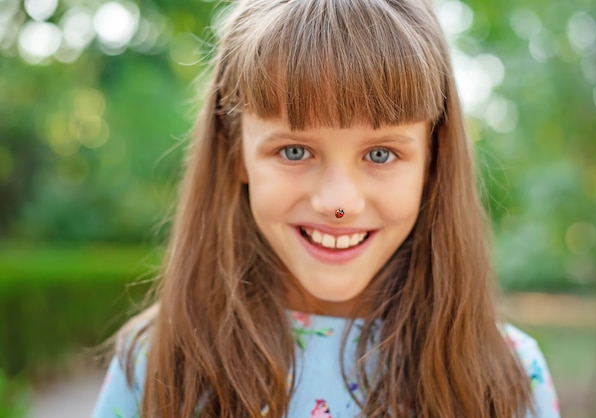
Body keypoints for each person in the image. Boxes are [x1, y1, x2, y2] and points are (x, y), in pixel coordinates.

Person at [92, 0, 560, 417]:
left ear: (433, 162)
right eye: (295, 151)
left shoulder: (506, 378)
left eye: (380, 154)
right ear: (235, 152)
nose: (338, 204)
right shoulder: (158, 362)